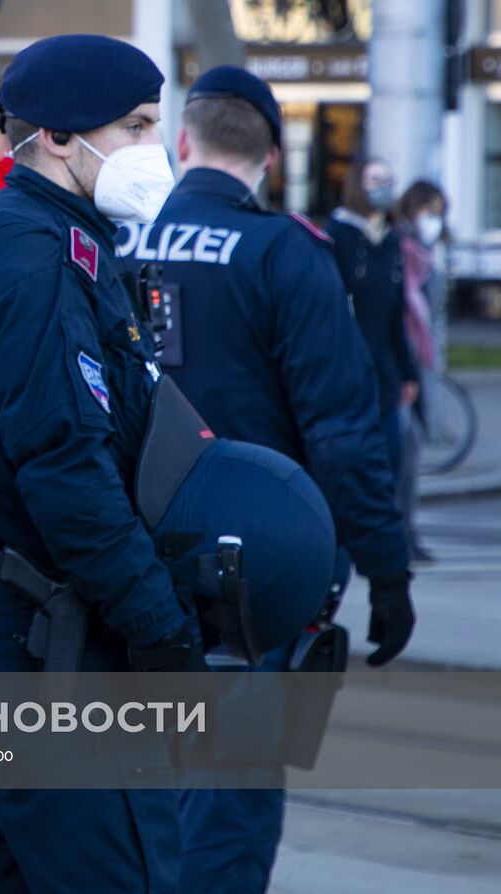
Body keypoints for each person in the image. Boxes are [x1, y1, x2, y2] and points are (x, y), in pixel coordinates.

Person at [134, 66, 414, 894]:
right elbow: (342, 429)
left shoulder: (118, 238)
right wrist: (386, 565)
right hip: (258, 569)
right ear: (271, 156)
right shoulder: (284, 250)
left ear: (183, 142)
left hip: (129, 555)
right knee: (233, 790)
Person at [0, 35, 197, 893]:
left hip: (7, 622)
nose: (151, 149)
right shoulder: (39, 253)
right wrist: (158, 624)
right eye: (134, 126)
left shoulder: (1, 233)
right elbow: (62, 463)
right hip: (58, 641)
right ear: (55, 136)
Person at [327, 158, 420, 493]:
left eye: (387, 179)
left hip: (385, 372)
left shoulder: (392, 240)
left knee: (393, 459)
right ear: (358, 184)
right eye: (375, 179)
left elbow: (396, 312)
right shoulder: (338, 235)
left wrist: (408, 371)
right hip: (348, 370)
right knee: (355, 470)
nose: (383, 186)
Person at [396, 180, 448, 561]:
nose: (435, 219)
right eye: (429, 209)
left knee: (411, 453)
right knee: (405, 452)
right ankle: (401, 534)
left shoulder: (429, 253)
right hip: (404, 369)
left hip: (420, 365)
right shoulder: (404, 250)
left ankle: (405, 532)